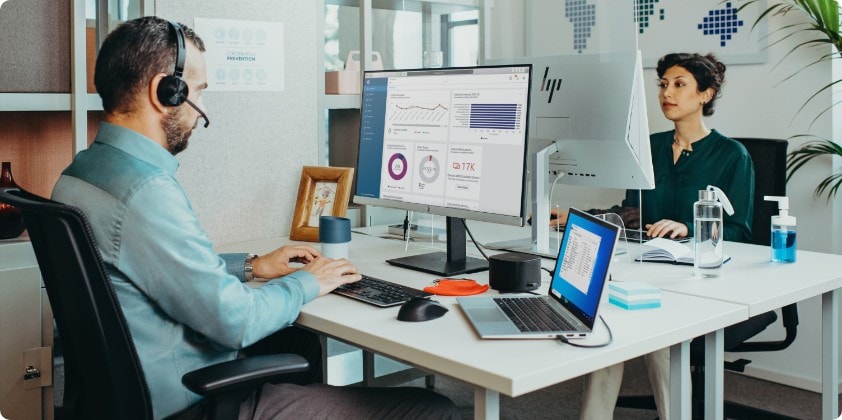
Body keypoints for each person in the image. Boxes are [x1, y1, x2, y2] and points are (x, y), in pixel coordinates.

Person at [52, 16, 461, 420]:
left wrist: (250, 266)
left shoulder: (80, 175)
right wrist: (310, 281)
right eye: (198, 92)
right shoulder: (146, 192)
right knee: (436, 409)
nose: (201, 111)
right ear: (167, 91)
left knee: (299, 343)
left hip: (127, 389)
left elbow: (153, 269)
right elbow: (236, 322)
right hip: (186, 399)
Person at [550, 53, 754, 419]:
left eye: (679, 85)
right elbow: (633, 214)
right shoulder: (649, 148)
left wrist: (690, 228)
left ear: (705, 95)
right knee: (605, 318)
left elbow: (742, 232)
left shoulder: (732, 156)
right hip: (646, 269)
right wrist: (575, 217)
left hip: (698, 279)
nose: (667, 93)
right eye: (662, 85)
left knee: (663, 335)